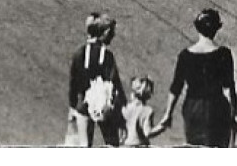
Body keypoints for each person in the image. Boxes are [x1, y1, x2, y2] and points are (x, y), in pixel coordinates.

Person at [160, 8, 237, 147]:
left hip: (192, 108)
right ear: (216, 29)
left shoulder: (185, 55)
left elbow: (176, 87)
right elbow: (228, 88)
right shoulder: (224, 54)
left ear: (197, 28)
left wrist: (168, 113)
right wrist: (234, 115)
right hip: (216, 107)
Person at [68, 14, 126, 147]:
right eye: (112, 32)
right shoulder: (107, 55)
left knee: (85, 145)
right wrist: (121, 115)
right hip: (103, 104)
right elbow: (114, 84)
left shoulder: (79, 53)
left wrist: (72, 105)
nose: (113, 35)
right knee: (111, 143)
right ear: (106, 33)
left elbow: (73, 82)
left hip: (83, 104)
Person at [121, 77, 171, 148]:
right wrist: (162, 127)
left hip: (126, 145)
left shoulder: (126, 108)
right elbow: (148, 133)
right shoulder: (147, 110)